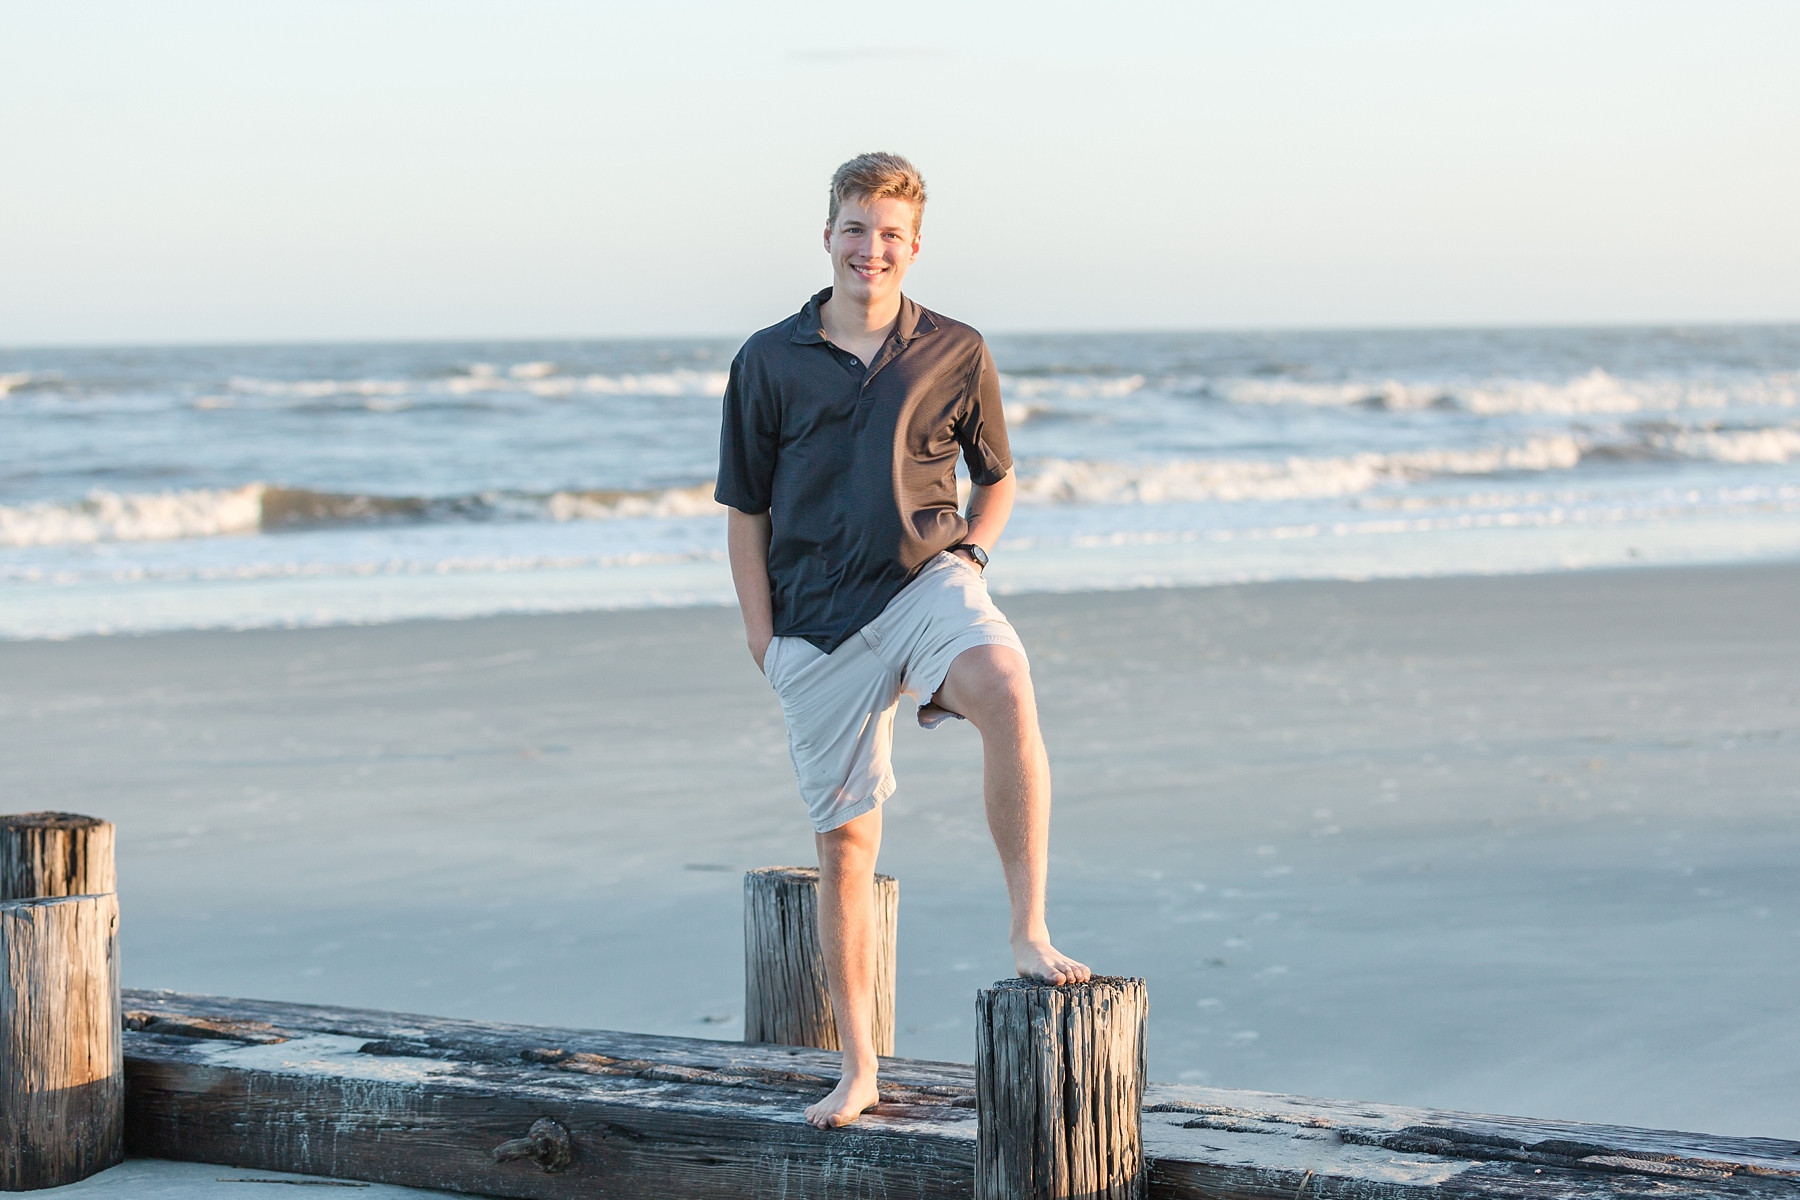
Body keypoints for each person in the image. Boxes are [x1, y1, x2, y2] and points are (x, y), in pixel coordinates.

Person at [716, 152, 1090, 1131]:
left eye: (889, 234)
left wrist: (973, 550)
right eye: (854, 227)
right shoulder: (767, 359)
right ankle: (859, 1069)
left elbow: (998, 475)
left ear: (913, 246)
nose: (870, 247)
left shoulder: (956, 349)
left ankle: (1028, 929)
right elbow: (745, 513)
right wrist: (766, 642)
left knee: (1005, 682)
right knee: (846, 848)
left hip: (927, 586)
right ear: (827, 235)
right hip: (814, 628)